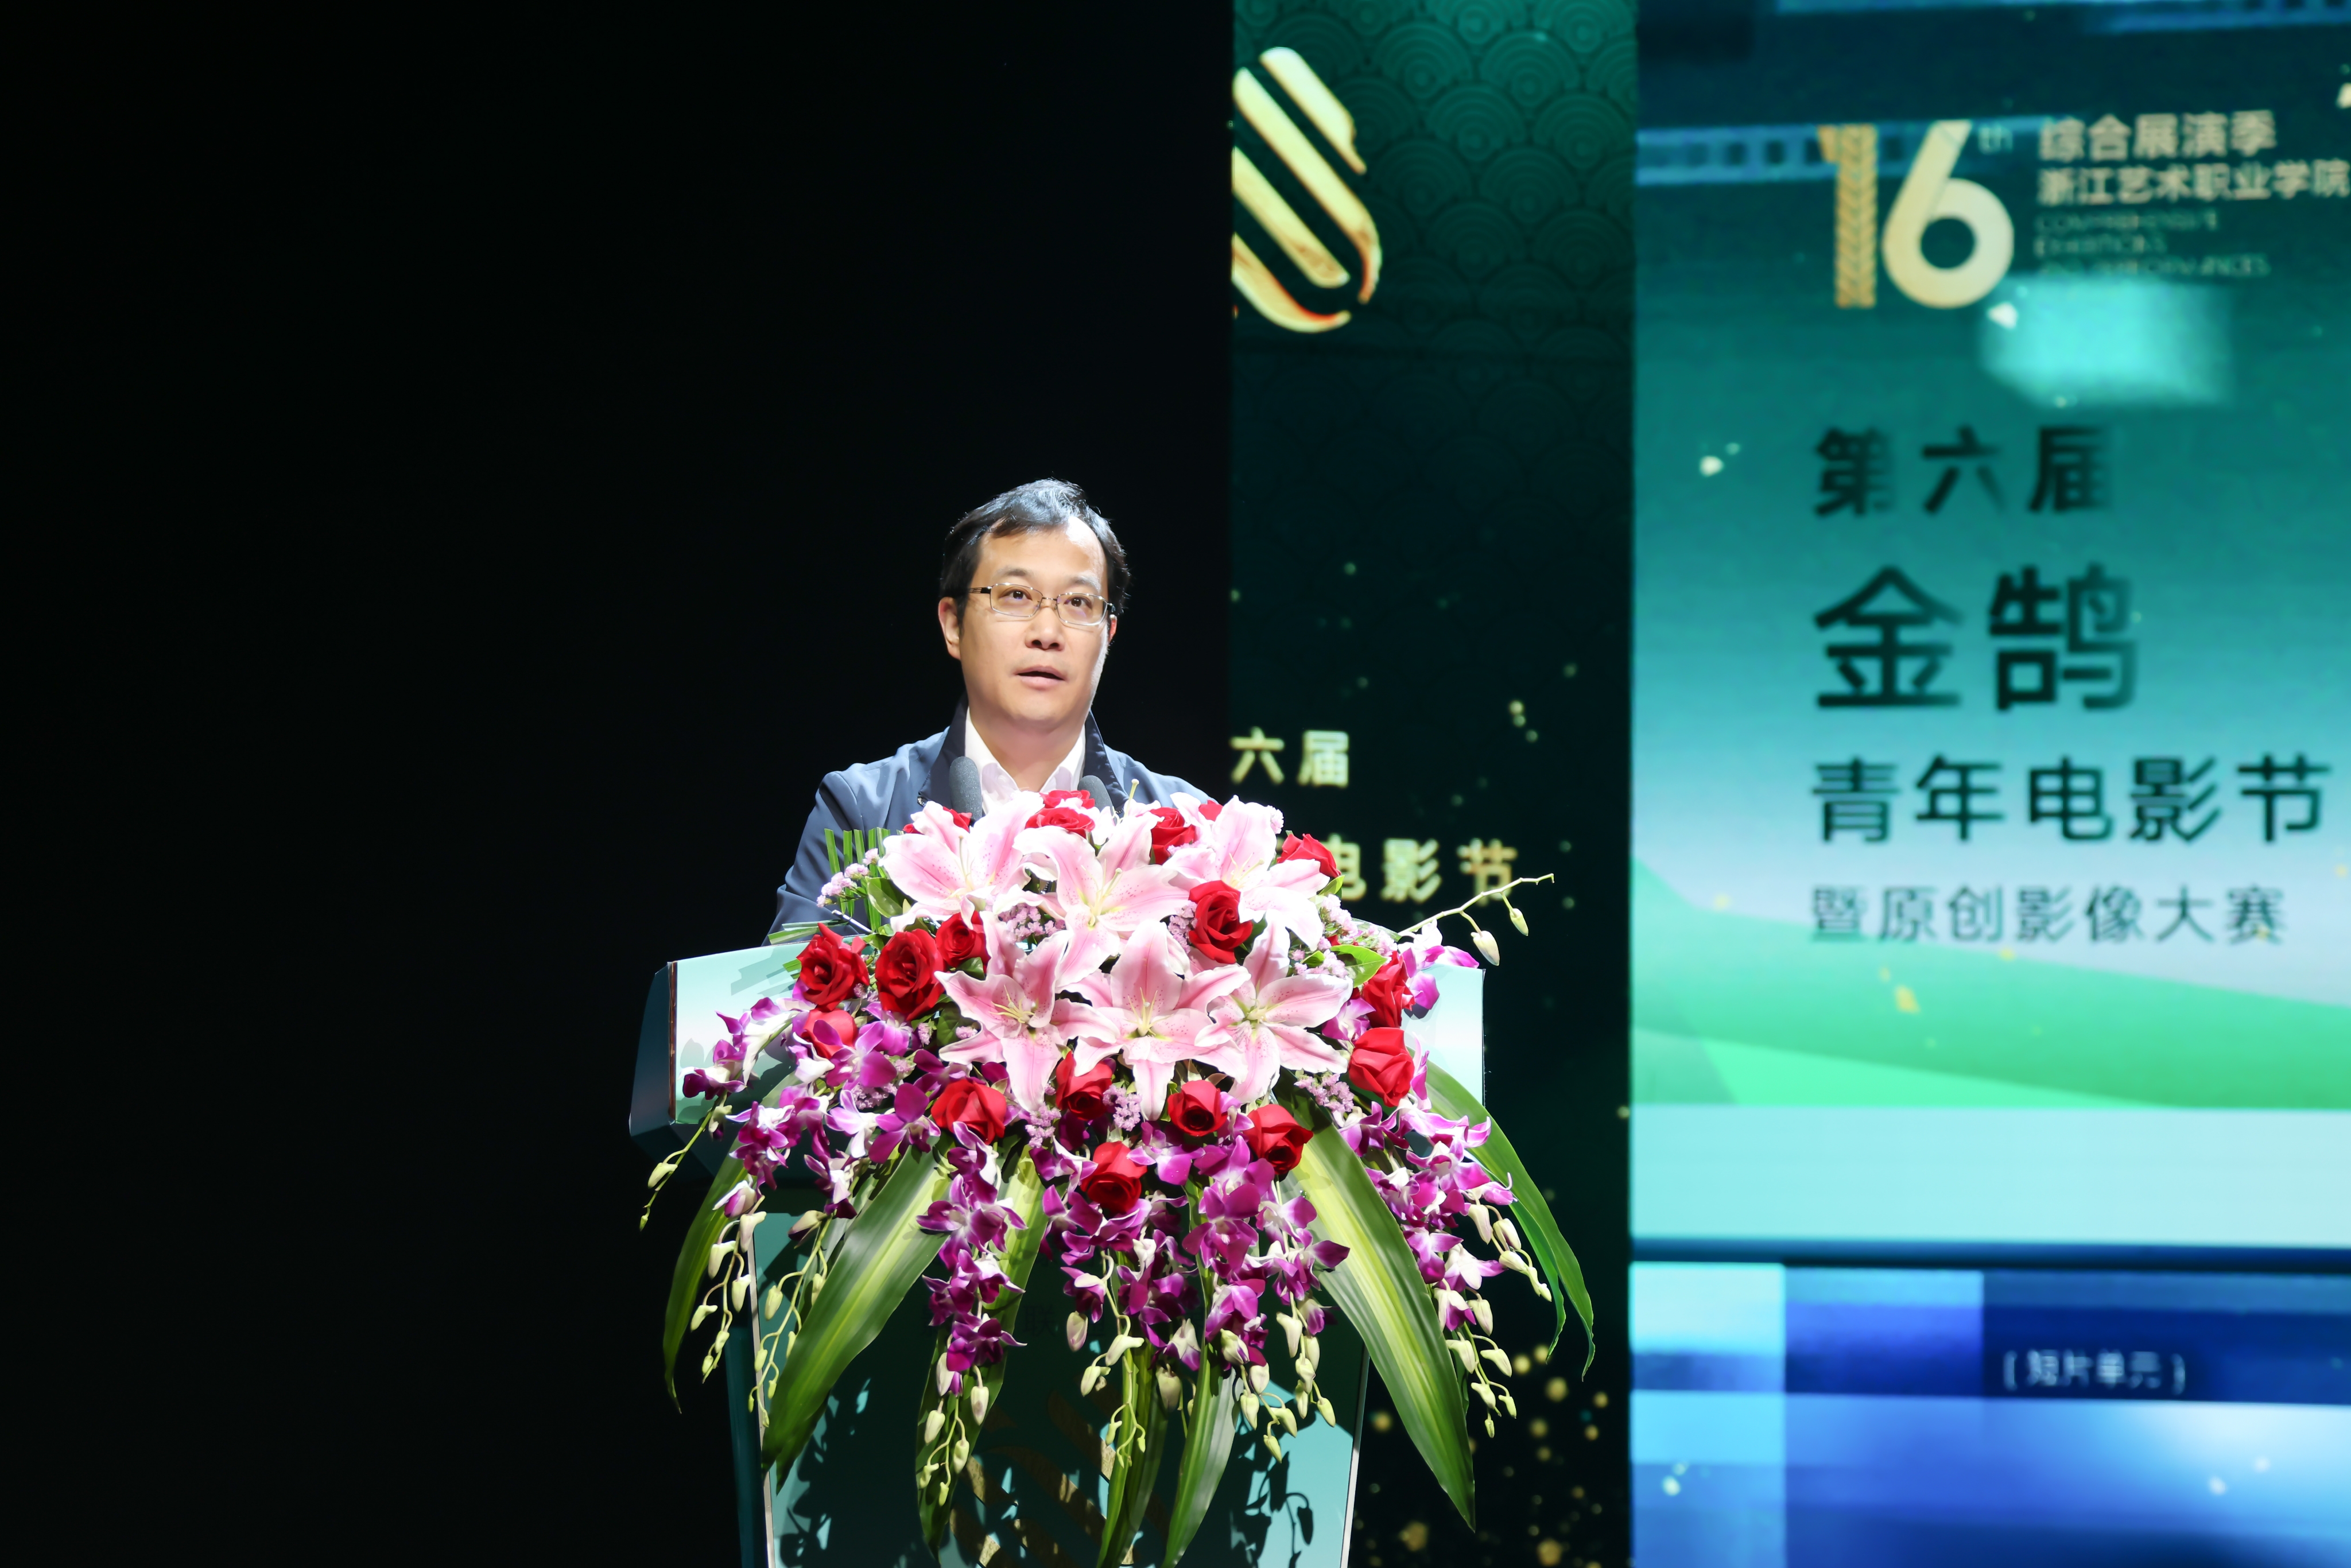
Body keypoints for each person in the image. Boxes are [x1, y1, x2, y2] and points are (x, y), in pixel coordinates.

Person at [770, 479, 1208, 933]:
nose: (1047, 633)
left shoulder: (1188, 827)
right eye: (1016, 596)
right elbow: (795, 973)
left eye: (1078, 602)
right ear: (953, 625)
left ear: (1108, 635)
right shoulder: (862, 812)